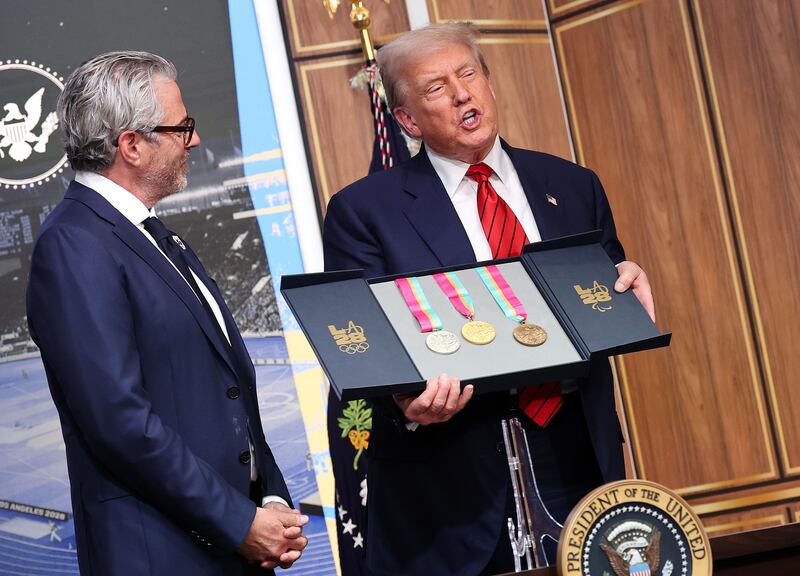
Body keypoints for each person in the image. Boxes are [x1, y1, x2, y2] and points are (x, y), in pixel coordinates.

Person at [322, 24, 655, 576]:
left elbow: (605, 293)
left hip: (577, 455)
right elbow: (365, 344)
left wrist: (627, 286)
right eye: (435, 88)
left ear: (490, 85)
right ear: (406, 120)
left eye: (469, 74)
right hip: (452, 480)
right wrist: (406, 402)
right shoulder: (364, 210)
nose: (461, 94)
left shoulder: (573, 185)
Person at [26, 51, 308, 575]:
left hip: (227, 543)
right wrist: (238, 522)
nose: (194, 141)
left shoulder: (151, 236)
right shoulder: (74, 244)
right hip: (161, 553)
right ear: (131, 145)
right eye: (182, 127)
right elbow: (119, 423)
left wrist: (268, 500)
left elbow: (230, 388)